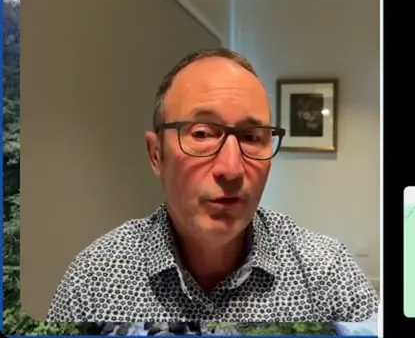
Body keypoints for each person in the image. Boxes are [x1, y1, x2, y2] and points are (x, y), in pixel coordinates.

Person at [44, 48, 377, 325]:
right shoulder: (94, 279)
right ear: (156, 154)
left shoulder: (326, 273)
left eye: (251, 137)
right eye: (201, 134)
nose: (231, 169)